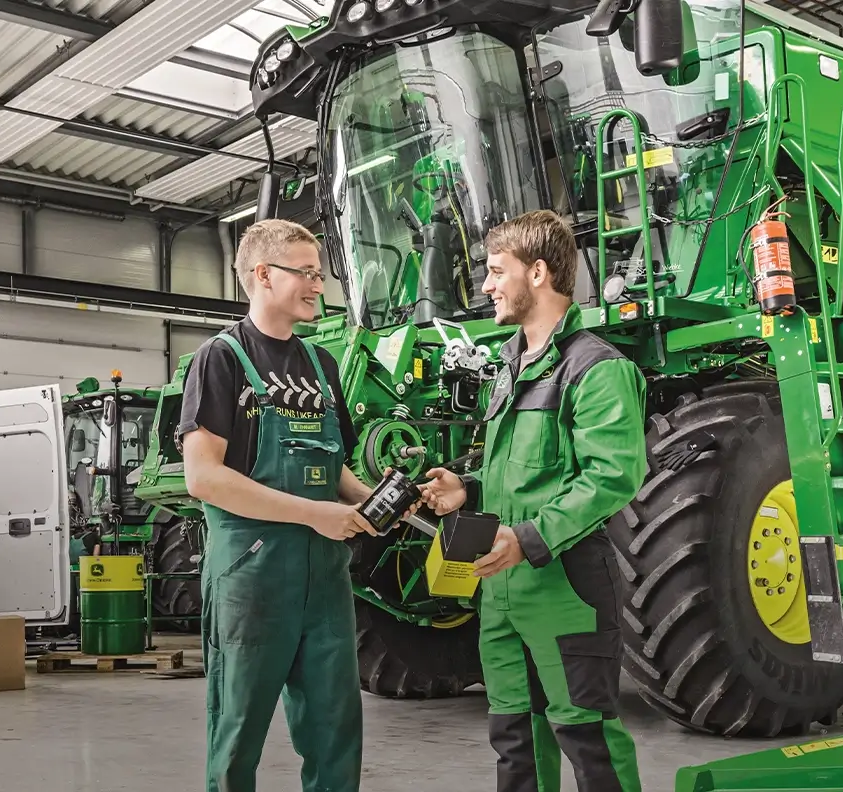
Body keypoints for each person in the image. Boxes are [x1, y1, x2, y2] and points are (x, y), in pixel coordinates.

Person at [419, 210, 648, 791]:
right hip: (501, 590)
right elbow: (521, 470)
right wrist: (466, 488)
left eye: (497, 272)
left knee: (587, 738)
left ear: (539, 272)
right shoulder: (510, 364)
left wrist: (526, 539)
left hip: (563, 587)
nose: (487, 285)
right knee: (515, 742)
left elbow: (612, 477)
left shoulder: (595, 368)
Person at [179, 218, 376, 792]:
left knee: (336, 728)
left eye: (321, 273)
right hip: (253, 576)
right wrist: (318, 515)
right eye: (307, 273)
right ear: (263, 275)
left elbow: (329, 465)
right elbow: (204, 477)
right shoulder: (220, 359)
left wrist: (379, 501)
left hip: (326, 581)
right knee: (238, 733)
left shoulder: (322, 367)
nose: (319, 285)